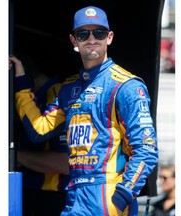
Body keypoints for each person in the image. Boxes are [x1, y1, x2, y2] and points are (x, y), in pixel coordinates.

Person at [9, 5, 158, 216]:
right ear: (74, 40)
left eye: (99, 32)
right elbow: (39, 129)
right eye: (83, 33)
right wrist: (21, 82)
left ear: (110, 37)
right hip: (75, 194)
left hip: (107, 194)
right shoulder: (70, 89)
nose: (91, 39)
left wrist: (124, 194)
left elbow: (146, 149)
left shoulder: (126, 86)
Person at [9, 55, 70, 216]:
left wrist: (13, 155)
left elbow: (64, 163)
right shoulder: (39, 96)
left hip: (51, 198)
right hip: (29, 192)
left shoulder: (58, 96)